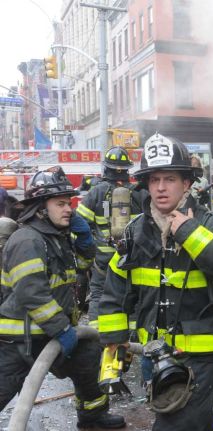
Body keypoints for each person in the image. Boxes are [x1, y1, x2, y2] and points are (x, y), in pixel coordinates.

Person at [97, 134, 213, 430]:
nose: (161, 187)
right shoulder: (136, 231)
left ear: (187, 183)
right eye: (154, 180)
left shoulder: (209, 224)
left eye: (169, 179)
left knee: (175, 424)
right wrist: (114, 337)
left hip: (201, 351)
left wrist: (190, 233)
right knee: (198, 420)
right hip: (155, 352)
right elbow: (115, 285)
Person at [0, 166, 125, 428]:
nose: (69, 209)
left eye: (69, 203)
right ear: (40, 208)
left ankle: (93, 416)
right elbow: (32, 293)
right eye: (61, 204)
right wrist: (62, 329)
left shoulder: (57, 238)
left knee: (89, 358)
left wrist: (85, 241)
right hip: (20, 339)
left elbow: (80, 268)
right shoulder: (28, 240)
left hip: (55, 333)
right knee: (3, 388)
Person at [76, 146, 145, 325]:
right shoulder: (139, 192)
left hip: (103, 259)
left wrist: (87, 253)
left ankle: (96, 332)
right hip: (132, 257)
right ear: (127, 169)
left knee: (99, 294)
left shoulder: (96, 192)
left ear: (106, 168)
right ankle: (133, 333)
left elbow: (79, 224)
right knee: (135, 294)